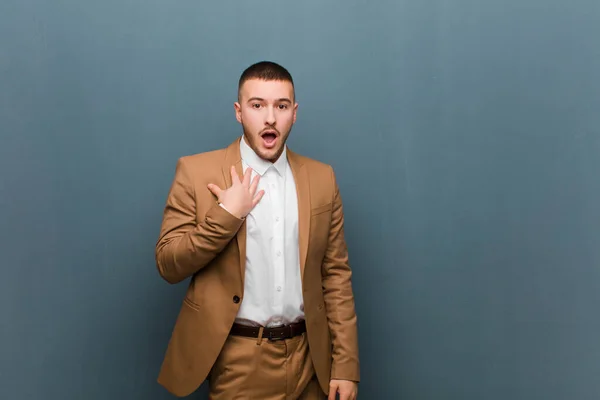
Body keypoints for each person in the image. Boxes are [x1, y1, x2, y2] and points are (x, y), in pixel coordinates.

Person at [155, 61, 359, 399]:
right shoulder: (194, 172)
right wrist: (225, 215)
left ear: (294, 113)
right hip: (240, 359)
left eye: (281, 106)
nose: (270, 118)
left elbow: (336, 275)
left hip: (311, 359)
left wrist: (346, 366)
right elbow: (168, 264)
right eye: (257, 105)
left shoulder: (322, 178)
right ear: (239, 112)